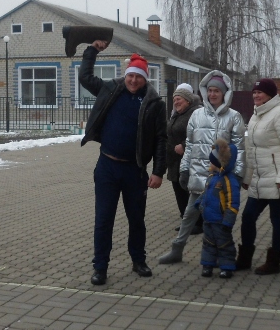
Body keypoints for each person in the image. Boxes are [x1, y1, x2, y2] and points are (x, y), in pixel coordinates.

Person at [79, 42, 167, 286]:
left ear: (145, 79)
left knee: (136, 220)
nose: (133, 80)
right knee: (103, 220)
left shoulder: (154, 103)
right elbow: (85, 77)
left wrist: (158, 171)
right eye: (130, 76)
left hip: (135, 170)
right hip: (107, 167)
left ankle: (138, 260)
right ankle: (100, 267)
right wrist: (92, 50)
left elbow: (162, 138)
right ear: (125, 75)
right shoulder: (111, 89)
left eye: (138, 77)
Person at [158, 70, 244, 264]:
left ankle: (222, 255)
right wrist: (184, 169)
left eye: (217, 91)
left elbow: (240, 149)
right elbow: (189, 145)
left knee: (220, 220)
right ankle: (177, 249)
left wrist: (238, 175)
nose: (213, 94)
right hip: (198, 176)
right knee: (189, 215)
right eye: (210, 90)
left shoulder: (234, 117)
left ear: (224, 93)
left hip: (221, 180)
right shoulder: (196, 115)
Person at [236, 78, 280, 274]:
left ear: (270, 94)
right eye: (254, 92)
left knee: (277, 219)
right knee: (248, 216)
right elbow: (252, 150)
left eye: (260, 92)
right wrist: (248, 177)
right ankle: (244, 258)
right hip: (259, 177)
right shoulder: (256, 114)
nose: (256, 95)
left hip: (276, 178)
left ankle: (274, 262)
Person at [197, 139, 240, 278]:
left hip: (221, 221)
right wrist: (199, 203)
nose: (210, 164)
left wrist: (229, 220)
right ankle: (207, 265)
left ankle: (227, 266)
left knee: (224, 244)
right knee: (208, 243)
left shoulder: (229, 180)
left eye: (212, 162)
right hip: (208, 219)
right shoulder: (211, 177)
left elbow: (233, 202)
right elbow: (206, 192)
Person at [166, 84, 198, 222]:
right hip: (175, 161)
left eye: (179, 99)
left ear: (188, 100)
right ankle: (185, 219)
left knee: (188, 191)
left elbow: (200, 133)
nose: (176, 102)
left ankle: (195, 221)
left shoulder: (196, 113)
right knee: (179, 191)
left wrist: (184, 145)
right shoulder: (177, 114)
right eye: (174, 100)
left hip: (189, 160)